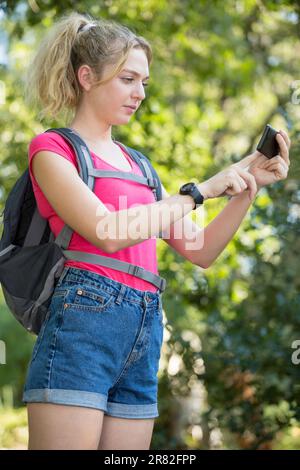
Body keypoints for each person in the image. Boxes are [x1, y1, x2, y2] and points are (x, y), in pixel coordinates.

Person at [22, 11, 290, 450]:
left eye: (144, 82)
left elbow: (201, 250)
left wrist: (246, 189)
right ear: (87, 77)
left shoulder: (141, 168)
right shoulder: (52, 150)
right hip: (81, 328)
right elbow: (107, 230)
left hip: (144, 329)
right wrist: (200, 191)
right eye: (128, 79)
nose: (140, 93)